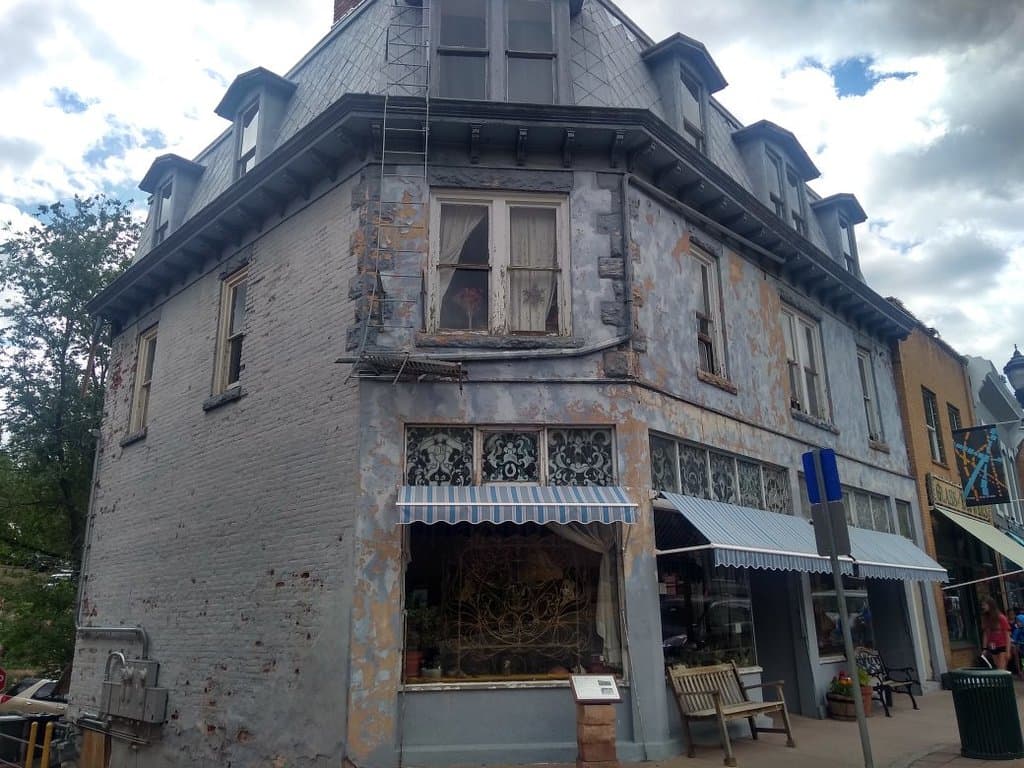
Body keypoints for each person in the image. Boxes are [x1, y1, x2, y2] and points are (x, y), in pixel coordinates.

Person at [981, 596, 1011, 671]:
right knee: (998, 667)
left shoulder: (1001, 617)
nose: (982, 607)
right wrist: (984, 648)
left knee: (1002, 668)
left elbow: (1007, 636)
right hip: (992, 645)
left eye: (984, 605)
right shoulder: (986, 618)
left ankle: (1004, 681)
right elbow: (985, 634)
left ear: (990, 605)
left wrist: (1008, 650)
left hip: (1002, 645)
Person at [1012, 614, 1024, 679]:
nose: (1017, 623)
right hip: (1021, 650)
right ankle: (1020, 672)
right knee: (1022, 662)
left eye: (1019, 621)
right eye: (1017, 622)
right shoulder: (1017, 630)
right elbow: (1014, 640)